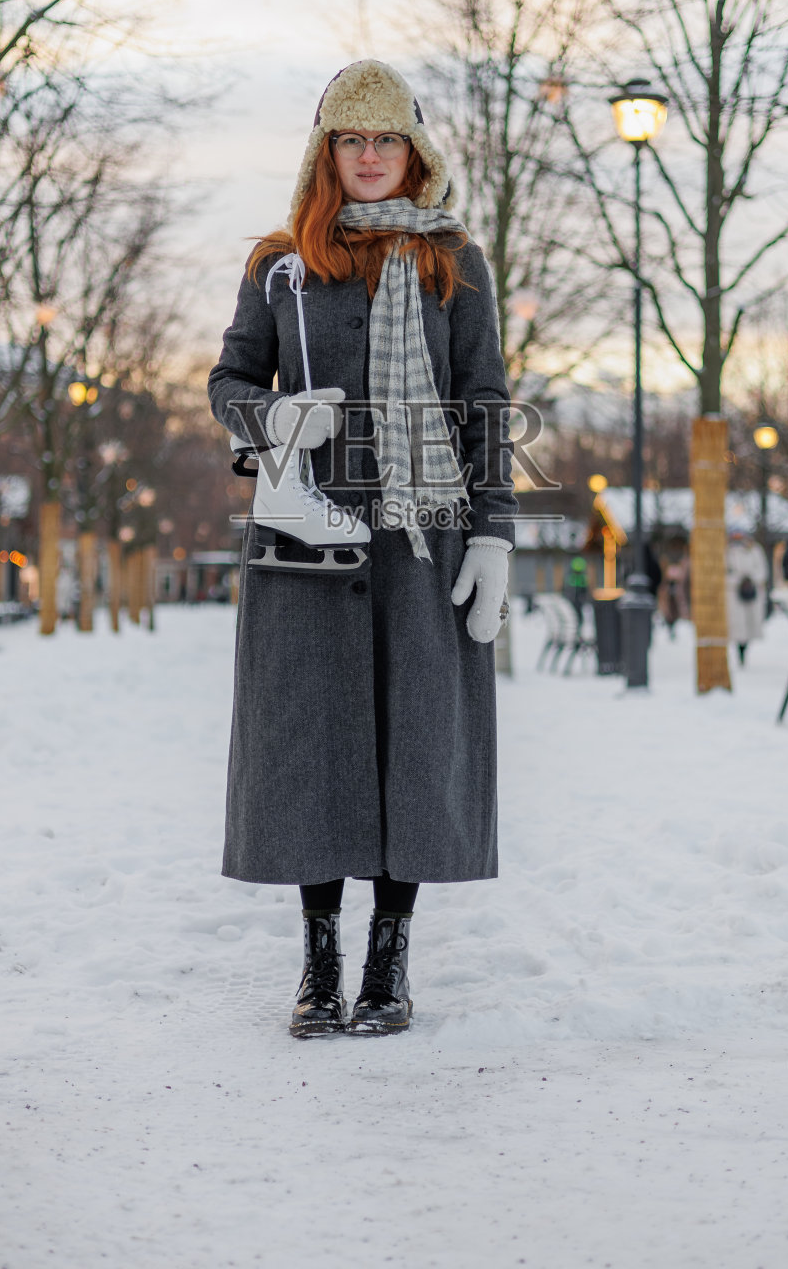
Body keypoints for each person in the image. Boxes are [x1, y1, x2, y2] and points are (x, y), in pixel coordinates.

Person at [207, 60, 517, 1038]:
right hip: (306, 537)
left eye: (386, 139)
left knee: (408, 742)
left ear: (412, 151)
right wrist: (273, 416)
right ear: (325, 152)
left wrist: (493, 537)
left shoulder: (451, 261)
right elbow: (227, 382)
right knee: (310, 747)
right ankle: (317, 962)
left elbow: (483, 404)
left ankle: (387, 960)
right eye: (352, 138)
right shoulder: (277, 266)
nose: (370, 155)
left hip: (420, 544)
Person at [726, 530, 769, 665]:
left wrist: (750, 579)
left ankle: (745, 650)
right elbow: (725, 573)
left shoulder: (755, 550)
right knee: (738, 626)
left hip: (752, 593)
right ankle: (740, 651)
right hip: (734, 594)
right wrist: (738, 580)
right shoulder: (728, 551)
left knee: (750, 625)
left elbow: (762, 571)